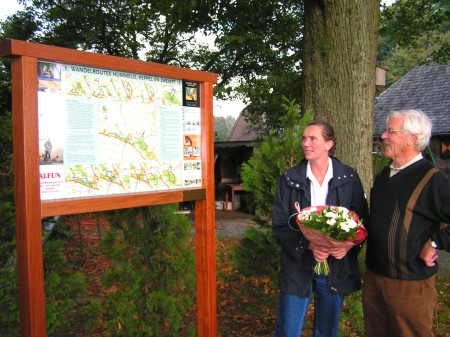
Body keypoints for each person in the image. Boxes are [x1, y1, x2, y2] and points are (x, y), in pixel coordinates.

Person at [272, 121, 369, 337]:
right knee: (288, 331)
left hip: (336, 267)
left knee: (326, 331)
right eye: (304, 139)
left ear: (329, 144)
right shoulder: (290, 179)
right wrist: (308, 244)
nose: (306, 143)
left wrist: (347, 246)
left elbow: (361, 220)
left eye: (312, 139)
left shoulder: (349, 177)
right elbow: (280, 223)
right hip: (298, 266)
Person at [363, 109, 450, 337]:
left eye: (390, 131)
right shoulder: (384, 175)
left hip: (410, 285)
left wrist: (435, 243)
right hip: (375, 278)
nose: (383, 136)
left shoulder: (432, 180)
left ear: (412, 139)